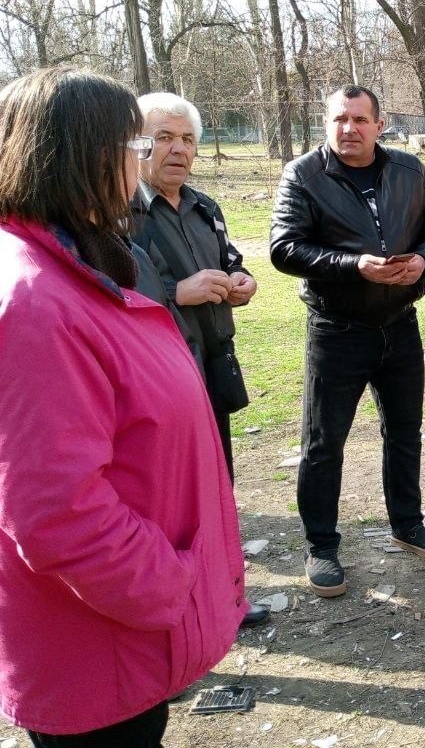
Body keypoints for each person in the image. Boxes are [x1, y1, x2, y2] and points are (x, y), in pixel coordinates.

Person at [0, 68, 245, 746]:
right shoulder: (35, 303)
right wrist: (170, 587)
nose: (141, 162)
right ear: (81, 157)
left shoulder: (75, 262)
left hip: (115, 632)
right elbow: (56, 511)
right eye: (134, 145)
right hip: (97, 643)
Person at [270, 85, 425, 597]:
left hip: (400, 323)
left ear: (379, 124)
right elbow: (284, 248)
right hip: (337, 330)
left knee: (405, 431)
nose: (348, 128)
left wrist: (423, 260)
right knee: (324, 442)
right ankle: (321, 545)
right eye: (339, 119)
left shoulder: (408, 170)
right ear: (325, 123)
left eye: (359, 119)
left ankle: (407, 523)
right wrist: (355, 266)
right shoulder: (304, 175)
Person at [129, 93, 270, 629]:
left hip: (212, 367)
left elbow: (232, 259)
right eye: (164, 137)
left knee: (217, 485)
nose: (178, 150)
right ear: (137, 144)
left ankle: (220, 597)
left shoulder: (206, 206)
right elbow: (112, 297)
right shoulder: (121, 214)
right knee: (170, 499)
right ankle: (178, 609)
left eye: (187, 139)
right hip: (158, 378)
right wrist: (175, 294)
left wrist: (242, 281)